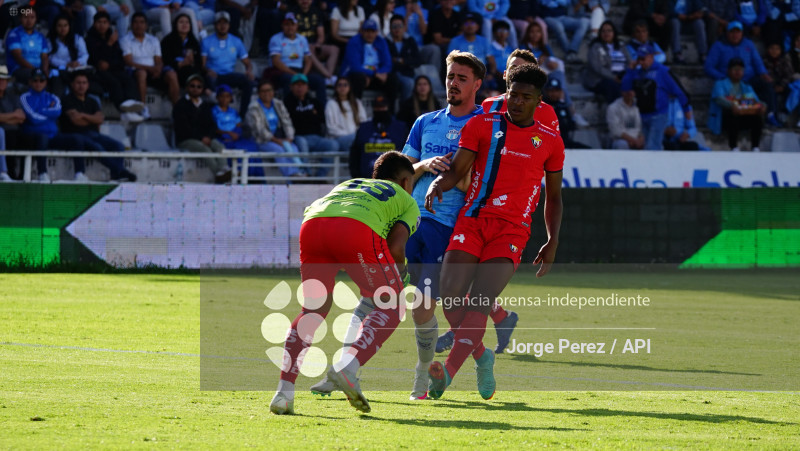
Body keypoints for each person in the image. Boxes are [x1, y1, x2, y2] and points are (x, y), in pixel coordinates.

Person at [424, 63, 564, 400]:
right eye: (513, 95)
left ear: (538, 101)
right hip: (472, 220)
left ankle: (448, 373)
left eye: (525, 98)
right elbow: (458, 169)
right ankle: (482, 356)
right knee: (452, 299)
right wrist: (437, 185)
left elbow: (555, 197)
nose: (517, 102)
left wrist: (552, 240)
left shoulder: (550, 142)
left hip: (512, 231)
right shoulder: (482, 124)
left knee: (480, 301)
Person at [270, 151, 419, 415]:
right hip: (354, 228)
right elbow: (396, 248)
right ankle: (347, 368)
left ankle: (283, 393)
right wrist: (402, 276)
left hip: (313, 225)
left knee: (312, 310)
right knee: (392, 305)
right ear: (407, 182)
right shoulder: (406, 199)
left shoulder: (351, 184)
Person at [61, 72, 138, 181]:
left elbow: (99, 119)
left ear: (88, 85)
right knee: (97, 147)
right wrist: (92, 119)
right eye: (78, 83)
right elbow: (76, 121)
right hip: (76, 135)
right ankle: (121, 171)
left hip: (94, 134)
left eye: (84, 83)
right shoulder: (67, 100)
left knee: (119, 146)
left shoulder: (92, 101)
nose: (81, 86)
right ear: (72, 84)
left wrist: (82, 115)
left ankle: (115, 176)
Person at [705, 21, 780, 127]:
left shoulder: (748, 44)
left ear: (742, 33)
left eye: (738, 32)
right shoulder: (718, 46)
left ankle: (770, 115)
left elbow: (757, 62)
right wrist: (723, 78)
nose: (735, 35)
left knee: (766, 85)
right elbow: (709, 67)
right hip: (729, 82)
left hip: (748, 79)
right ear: (727, 33)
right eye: (732, 32)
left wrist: (763, 73)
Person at [19, 69, 87, 182]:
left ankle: (80, 173)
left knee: (77, 138)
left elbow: (57, 112)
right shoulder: (25, 97)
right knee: (42, 138)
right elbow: (32, 118)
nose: (38, 83)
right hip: (33, 135)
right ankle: (42, 173)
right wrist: (48, 112)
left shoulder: (52, 97)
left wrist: (39, 111)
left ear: (46, 82)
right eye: (35, 80)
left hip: (53, 135)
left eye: (42, 80)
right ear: (30, 82)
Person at [621, 44, 691, 150]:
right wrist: (630, 70)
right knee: (644, 146)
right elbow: (625, 89)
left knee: (652, 146)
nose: (640, 62)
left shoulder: (663, 71)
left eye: (643, 59)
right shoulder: (637, 73)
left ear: (651, 57)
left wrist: (686, 108)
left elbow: (678, 90)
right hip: (641, 115)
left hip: (658, 115)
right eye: (639, 59)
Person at [483, 49, 561, 133]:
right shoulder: (489, 104)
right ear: (505, 74)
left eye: (523, 70)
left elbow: (553, 143)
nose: (517, 73)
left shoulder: (546, 111)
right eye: (513, 68)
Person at [173, 73, 231, 182]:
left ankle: (223, 170)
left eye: (199, 86)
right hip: (186, 140)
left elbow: (212, 126)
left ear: (202, 89)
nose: (195, 88)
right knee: (204, 148)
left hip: (204, 138)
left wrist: (208, 137)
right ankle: (219, 174)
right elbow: (183, 128)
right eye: (192, 86)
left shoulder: (205, 105)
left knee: (219, 146)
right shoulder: (180, 105)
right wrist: (201, 138)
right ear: (187, 87)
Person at [246, 79, 308, 178]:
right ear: (259, 93)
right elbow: (260, 130)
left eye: (269, 90)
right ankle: (291, 176)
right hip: (263, 140)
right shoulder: (253, 107)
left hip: (280, 137)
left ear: (273, 91)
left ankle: (300, 173)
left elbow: (287, 121)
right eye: (263, 91)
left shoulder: (278, 103)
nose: (267, 93)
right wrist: (276, 140)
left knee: (294, 147)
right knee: (279, 150)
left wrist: (289, 137)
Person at [86, 11, 142, 117]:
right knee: (114, 82)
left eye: (105, 22)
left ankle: (132, 107)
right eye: (99, 22)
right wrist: (109, 44)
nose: (102, 25)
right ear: (94, 24)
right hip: (96, 72)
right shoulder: (89, 39)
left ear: (109, 24)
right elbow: (97, 60)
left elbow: (119, 59)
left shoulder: (112, 38)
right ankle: (122, 110)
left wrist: (110, 64)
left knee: (128, 79)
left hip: (113, 68)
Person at [283, 74, 340, 177]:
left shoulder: (314, 101)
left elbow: (321, 119)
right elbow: (292, 120)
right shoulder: (286, 102)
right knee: (302, 142)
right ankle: (307, 175)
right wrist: (310, 114)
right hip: (298, 137)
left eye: (302, 84)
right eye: (296, 85)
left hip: (316, 138)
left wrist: (302, 116)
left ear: (307, 87)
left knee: (333, 145)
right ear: (291, 87)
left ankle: (320, 177)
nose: (300, 87)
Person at [122, 12, 181, 110]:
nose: (139, 25)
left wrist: (158, 69)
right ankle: (142, 108)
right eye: (136, 22)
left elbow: (158, 60)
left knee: (172, 74)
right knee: (142, 74)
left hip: (153, 70)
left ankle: (177, 109)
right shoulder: (125, 40)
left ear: (146, 25)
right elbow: (128, 62)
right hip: (135, 71)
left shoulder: (153, 40)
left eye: (142, 22)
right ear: (131, 25)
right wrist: (151, 69)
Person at [202, 11, 256, 117]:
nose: (222, 26)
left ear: (229, 25)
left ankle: (242, 115)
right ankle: (216, 115)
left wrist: (249, 71)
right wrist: (208, 70)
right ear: (215, 25)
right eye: (219, 23)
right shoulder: (206, 41)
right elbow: (202, 64)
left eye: (225, 23)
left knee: (248, 82)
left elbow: (247, 62)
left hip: (229, 74)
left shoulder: (236, 41)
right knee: (209, 80)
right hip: (213, 75)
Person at [268, 12, 327, 104]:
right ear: (282, 26)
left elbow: (308, 60)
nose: (290, 27)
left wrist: (303, 74)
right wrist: (294, 74)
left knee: (319, 81)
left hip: (300, 70)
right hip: (283, 71)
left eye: (292, 24)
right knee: (288, 79)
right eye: (286, 24)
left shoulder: (302, 39)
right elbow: (276, 61)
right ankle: (289, 110)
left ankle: (321, 111)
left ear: (297, 26)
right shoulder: (276, 39)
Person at [708, 57, 765, 152]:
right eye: (735, 69)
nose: (738, 72)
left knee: (758, 117)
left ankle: (755, 147)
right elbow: (718, 99)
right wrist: (732, 105)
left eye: (740, 70)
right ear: (728, 71)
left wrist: (762, 106)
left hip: (742, 117)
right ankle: (734, 147)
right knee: (733, 115)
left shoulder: (746, 86)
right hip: (724, 119)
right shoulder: (720, 84)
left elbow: (756, 101)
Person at [348, 95, 408, 177]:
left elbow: (407, 153)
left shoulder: (400, 128)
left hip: (393, 179)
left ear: (388, 107)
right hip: (366, 178)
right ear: (373, 109)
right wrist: (355, 174)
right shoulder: (364, 128)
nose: (380, 110)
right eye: (377, 107)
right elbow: (355, 153)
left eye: (383, 107)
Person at [211, 84, 263, 177]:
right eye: (222, 96)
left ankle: (254, 177)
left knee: (252, 147)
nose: (224, 99)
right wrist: (228, 134)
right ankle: (239, 177)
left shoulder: (233, 111)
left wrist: (236, 134)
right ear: (217, 97)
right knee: (237, 150)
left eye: (227, 96)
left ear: (230, 98)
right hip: (223, 138)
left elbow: (239, 125)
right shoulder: (213, 111)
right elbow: (213, 128)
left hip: (236, 137)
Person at [340, 19, 394, 100]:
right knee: (358, 78)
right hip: (358, 75)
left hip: (375, 76)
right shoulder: (354, 42)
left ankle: (390, 110)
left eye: (372, 32)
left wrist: (377, 74)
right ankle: (356, 106)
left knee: (392, 78)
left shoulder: (381, 42)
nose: (370, 34)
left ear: (376, 32)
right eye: (367, 31)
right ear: (362, 31)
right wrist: (374, 74)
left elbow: (387, 64)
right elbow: (355, 67)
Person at [448, 13, 497, 92]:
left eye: (473, 23)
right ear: (462, 26)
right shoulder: (455, 41)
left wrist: (491, 74)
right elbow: (450, 63)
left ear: (478, 26)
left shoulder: (484, 41)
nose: (470, 26)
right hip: (462, 75)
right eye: (467, 23)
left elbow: (492, 62)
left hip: (482, 75)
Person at [293, 0, 339, 83]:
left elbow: (321, 35)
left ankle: (327, 78)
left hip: (314, 46)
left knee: (334, 49)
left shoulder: (317, 12)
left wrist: (318, 43)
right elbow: (291, 34)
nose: (305, 1)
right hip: (297, 47)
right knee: (308, 48)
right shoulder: (292, 13)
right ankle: (329, 76)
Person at [583, 20, 629, 103]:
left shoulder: (621, 46)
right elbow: (597, 67)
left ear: (614, 32)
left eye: (609, 30)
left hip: (621, 77)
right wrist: (614, 77)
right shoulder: (595, 47)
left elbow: (629, 62)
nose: (606, 33)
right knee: (613, 87)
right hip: (600, 80)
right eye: (603, 31)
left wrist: (624, 77)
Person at [6, 7, 51, 84]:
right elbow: (18, 57)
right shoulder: (14, 34)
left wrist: (45, 70)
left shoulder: (40, 36)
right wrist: (36, 71)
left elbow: (44, 57)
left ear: (36, 19)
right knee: (36, 78)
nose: (29, 20)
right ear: (20, 18)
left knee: (54, 76)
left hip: (38, 70)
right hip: (19, 69)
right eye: (26, 17)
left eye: (32, 17)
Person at [47, 15, 90, 97]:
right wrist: (66, 64)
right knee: (56, 77)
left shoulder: (77, 38)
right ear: (55, 27)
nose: (62, 28)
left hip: (76, 68)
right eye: (59, 26)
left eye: (65, 25)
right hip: (58, 69)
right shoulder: (50, 40)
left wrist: (78, 62)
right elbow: (50, 58)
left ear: (69, 26)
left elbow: (85, 54)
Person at [543, 78, 590, 148]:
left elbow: (570, 125)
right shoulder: (542, 107)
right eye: (551, 91)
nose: (554, 94)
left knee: (587, 149)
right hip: (547, 143)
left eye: (556, 91)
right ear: (546, 92)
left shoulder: (563, 107)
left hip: (564, 141)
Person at [161, 13, 204, 88]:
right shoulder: (167, 41)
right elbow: (165, 60)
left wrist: (192, 62)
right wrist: (180, 64)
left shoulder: (193, 41)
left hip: (191, 72)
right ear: (175, 25)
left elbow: (199, 62)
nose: (184, 24)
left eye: (187, 22)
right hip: (174, 71)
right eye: (181, 22)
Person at [325, 78, 367, 154]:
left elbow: (363, 122)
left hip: (355, 137)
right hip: (337, 138)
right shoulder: (331, 104)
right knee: (355, 140)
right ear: (336, 88)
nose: (342, 87)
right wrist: (350, 135)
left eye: (345, 85)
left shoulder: (357, 103)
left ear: (349, 87)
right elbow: (331, 128)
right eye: (340, 85)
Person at [387, 15, 421, 102]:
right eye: (394, 26)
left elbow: (417, 60)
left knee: (423, 83)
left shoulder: (410, 40)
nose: (397, 29)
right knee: (408, 83)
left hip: (409, 73)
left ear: (404, 27)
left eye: (400, 26)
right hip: (392, 74)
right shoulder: (385, 41)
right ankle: (404, 109)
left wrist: (403, 61)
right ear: (390, 28)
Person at [0, 66, 25, 181]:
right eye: (0, 79)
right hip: (4, 131)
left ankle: (23, 176)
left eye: (4, 79)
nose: (2, 82)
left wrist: (4, 118)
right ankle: (5, 172)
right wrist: (13, 115)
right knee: (4, 134)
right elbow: (17, 116)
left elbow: (21, 118)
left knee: (28, 138)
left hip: (14, 130)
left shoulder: (13, 97)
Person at [425, 0, 463, 75]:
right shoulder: (435, 14)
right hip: (435, 46)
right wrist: (454, 40)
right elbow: (438, 40)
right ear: (440, 2)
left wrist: (453, 41)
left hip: (451, 45)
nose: (448, 2)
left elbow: (461, 35)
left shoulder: (457, 15)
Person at [670, 0, 707, 65]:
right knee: (675, 22)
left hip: (690, 21)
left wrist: (696, 14)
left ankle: (702, 54)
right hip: (676, 19)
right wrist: (682, 16)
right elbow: (669, 10)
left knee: (699, 23)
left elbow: (700, 8)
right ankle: (677, 53)